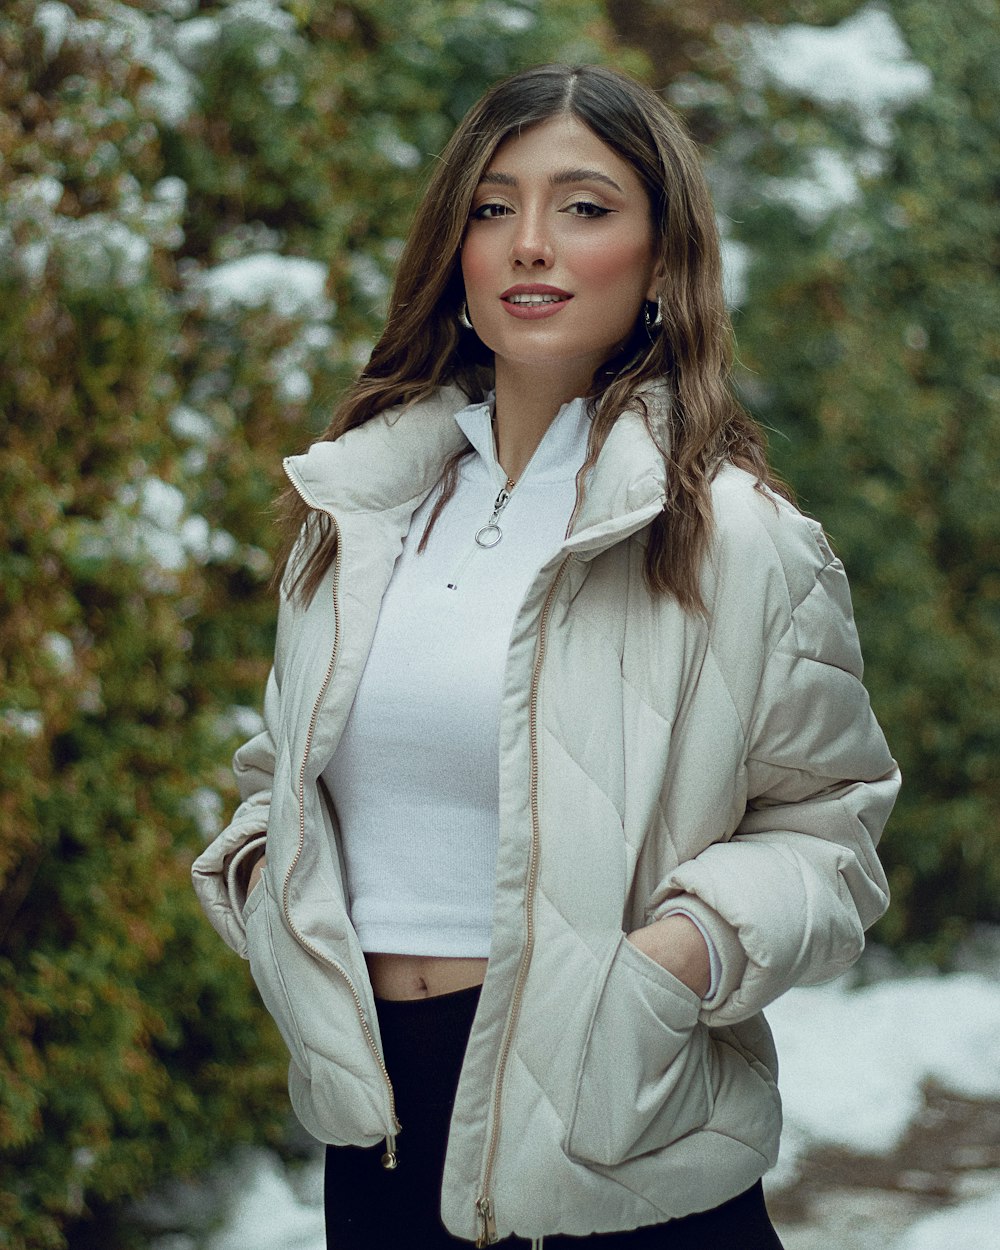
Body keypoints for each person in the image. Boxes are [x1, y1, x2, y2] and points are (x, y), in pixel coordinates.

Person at [192, 63, 899, 1249]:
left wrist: (679, 957)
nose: (530, 244)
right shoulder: (361, 509)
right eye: (490, 206)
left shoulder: (734, 535)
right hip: (379, 1142)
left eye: (584, 206)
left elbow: (832, 826)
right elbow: (286, 769)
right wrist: (267, 884)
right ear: (453, 247)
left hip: (617, 1138)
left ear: (662, 257)